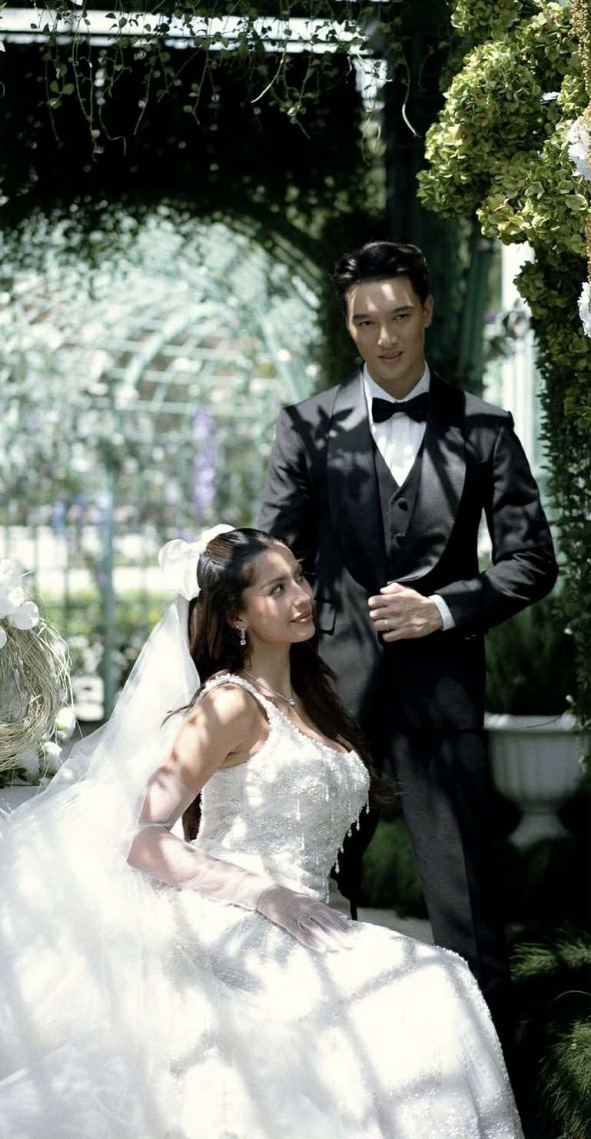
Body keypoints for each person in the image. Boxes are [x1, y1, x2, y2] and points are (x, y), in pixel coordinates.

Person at [0, 526, 523, 1139]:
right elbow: (145, 839)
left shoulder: (313, 698)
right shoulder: (227, 706)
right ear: (236, 615)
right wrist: (264, 894)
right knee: (415, 991)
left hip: (303, 913)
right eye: (276, 589)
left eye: (299, 578)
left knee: (439, 979)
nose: (302, 596)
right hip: (231, 911)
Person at [257, 240, 559, 1052]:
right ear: (347, 325)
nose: (385, 337)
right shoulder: (306, 428)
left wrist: (446, 609)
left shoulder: (486, 428)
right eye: (366, 322)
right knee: (310, 897)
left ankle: (492, 1082)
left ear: (427, 310)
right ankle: (313, 1068)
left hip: (442, 697)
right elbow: (275, 564)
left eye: (399, 316)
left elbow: (533, 560)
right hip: (328, 699)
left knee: (469, 915)